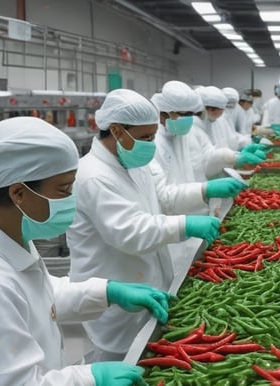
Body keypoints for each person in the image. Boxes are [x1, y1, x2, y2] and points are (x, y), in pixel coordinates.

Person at [0, 116, 170, 385]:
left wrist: (105, 292)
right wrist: (91, 378)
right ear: (18, 193)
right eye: (64, 189)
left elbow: (34, 295)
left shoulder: (2, 235)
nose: (71, 199)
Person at [67, 89, 223, 361]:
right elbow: (128, 232)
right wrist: (184, 226)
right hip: (117, 295)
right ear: (116, 130)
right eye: (146, 137)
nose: (151, 143)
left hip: (147, 282)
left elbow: (163, 197)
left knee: (146, 360)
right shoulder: (93, 176)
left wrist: (204, 191)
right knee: (116, 363)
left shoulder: (134, 161)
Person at [149, 81, 247, 217]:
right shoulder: (152, 142)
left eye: (190, 114)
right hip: (169, 221)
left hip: (190, 211)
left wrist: (233, 157)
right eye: (183, 114)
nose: (188, 118)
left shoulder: (181, 134)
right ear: (163, 113)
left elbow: (200, 166)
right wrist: (204, 190)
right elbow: (161, 195)